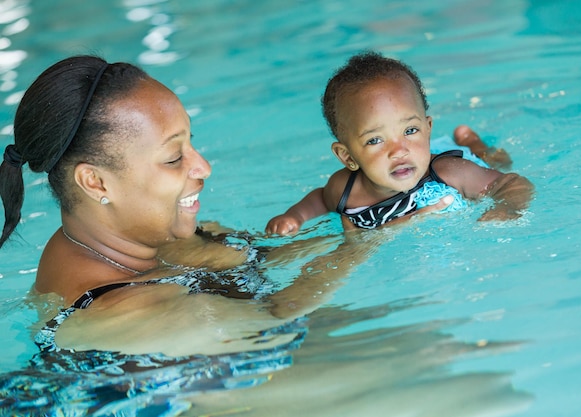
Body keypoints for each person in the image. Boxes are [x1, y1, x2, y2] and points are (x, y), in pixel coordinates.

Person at [0, 55, 450, 414]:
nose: (203, 167)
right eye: (174, 159)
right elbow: (275, 318)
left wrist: (362, 219)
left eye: (191, 143)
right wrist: (368, 241)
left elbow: (255, 256)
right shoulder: (131, 315)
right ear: (95, 183)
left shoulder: (133, 236)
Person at [266, 51, 535, 235]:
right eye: (375, 140)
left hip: (460, 161)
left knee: (492, 159)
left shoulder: (450, 173)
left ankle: (471, 140)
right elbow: (321, 200)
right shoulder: (345, 189)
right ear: (347, 156)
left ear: (427, 129)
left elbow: (512, 183)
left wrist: (506, 207)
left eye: (410, 130)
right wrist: (295, 217)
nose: (399, 150)